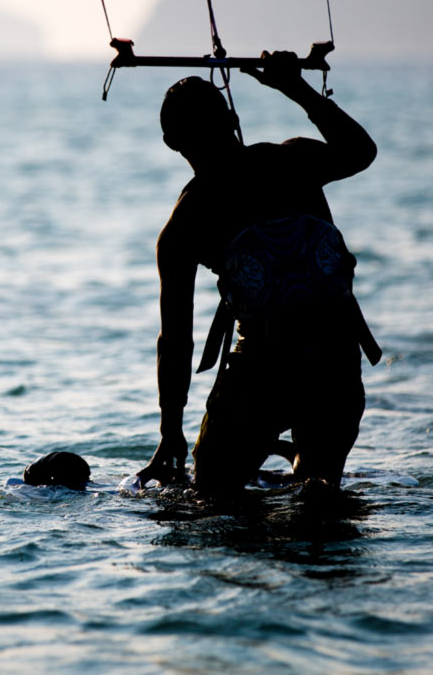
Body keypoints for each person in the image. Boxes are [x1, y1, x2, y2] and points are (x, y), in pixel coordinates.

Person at [137, 52, 379, 495]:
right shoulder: (294, 161)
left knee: (211, 497)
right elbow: (362, 151)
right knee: (319, 496)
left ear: (171, 142)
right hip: (335, 363)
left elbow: (175, 342)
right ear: (231, 116)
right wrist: (295, 87)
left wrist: (171, 433)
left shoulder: (184, 225)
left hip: (262, 372)